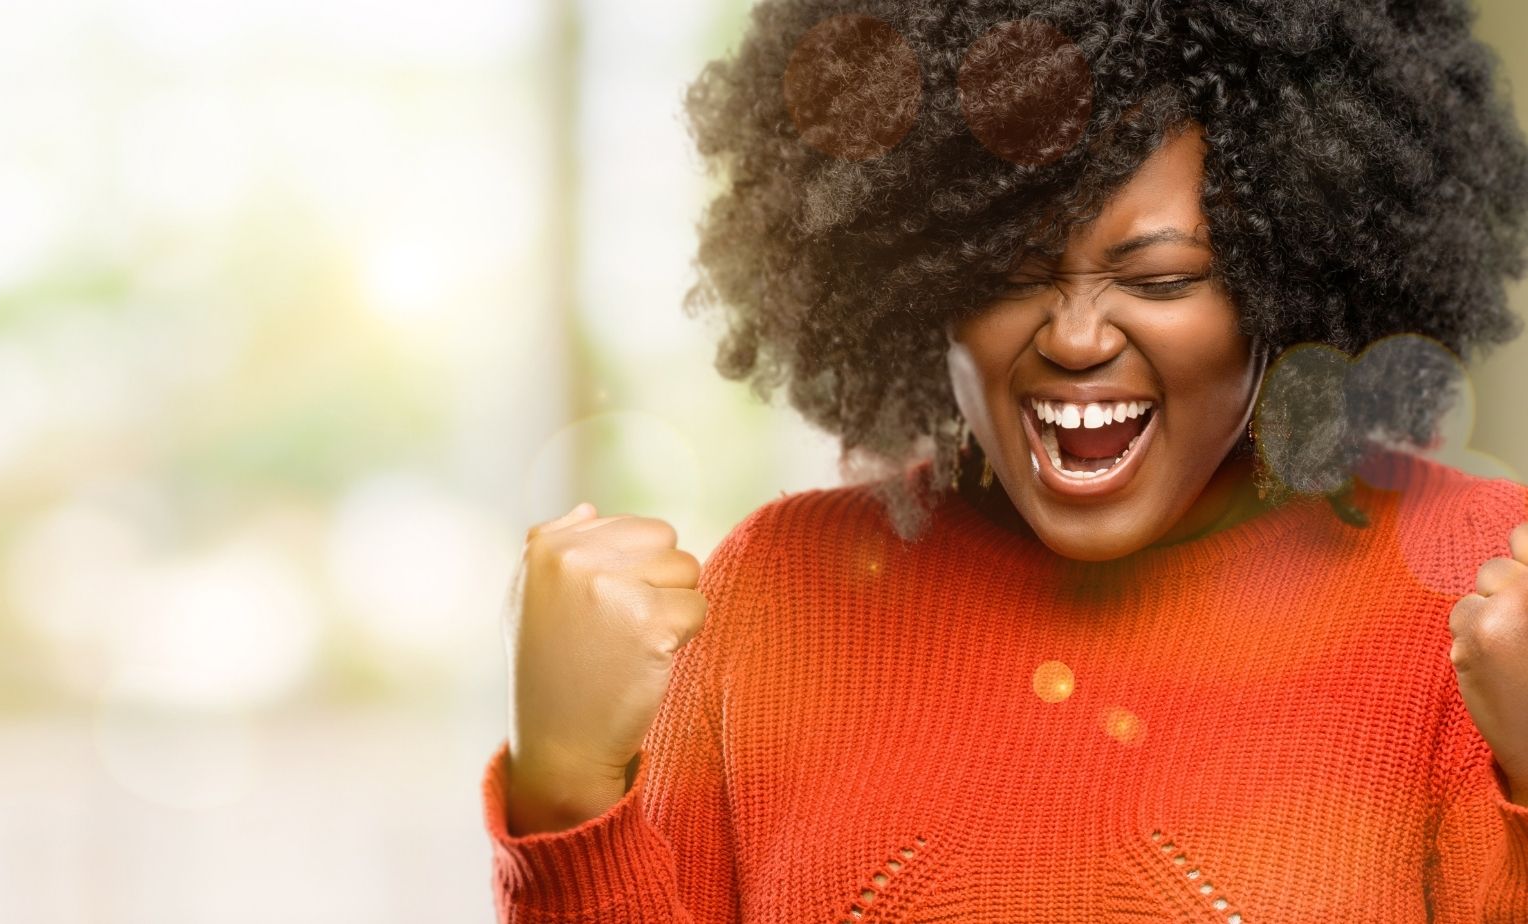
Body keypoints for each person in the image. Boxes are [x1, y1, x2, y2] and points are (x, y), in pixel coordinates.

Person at [481, 1, 1528, 921]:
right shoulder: (771, 600)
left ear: (1288, 279)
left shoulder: (1478, 586)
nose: (1074, 338)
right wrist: (565, 795)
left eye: (1160, 279)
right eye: (1005, 271)